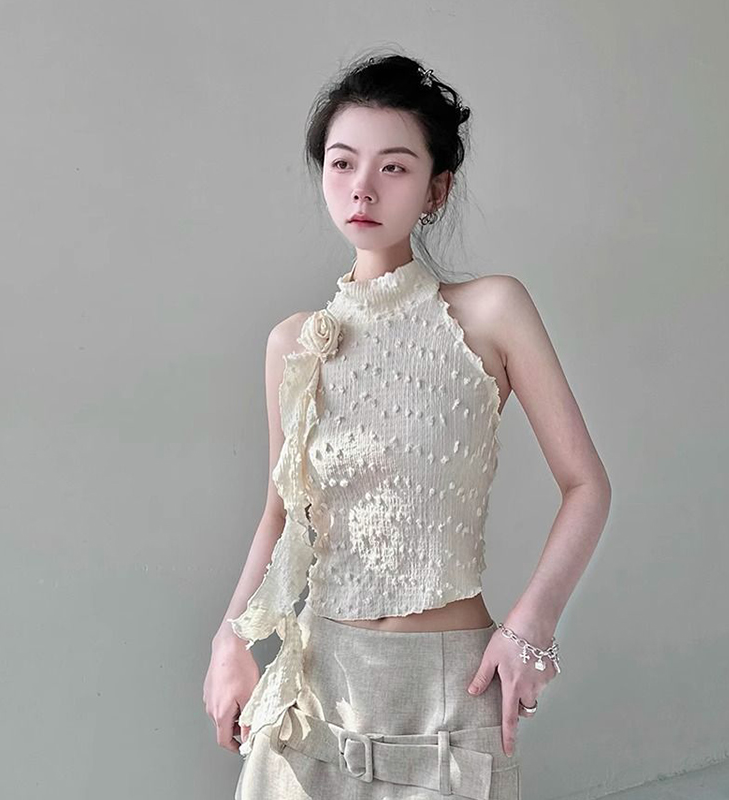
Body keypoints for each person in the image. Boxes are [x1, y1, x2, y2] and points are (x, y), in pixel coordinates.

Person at [203, 51, 611, 800]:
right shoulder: (294, 343)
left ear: (436, 188)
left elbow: (587, 486)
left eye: (393, 167)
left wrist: (532, 628)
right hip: (316, 693)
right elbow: (280, 516)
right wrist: (229, 641)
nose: (362, 187)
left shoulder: (491, 311)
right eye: (342, 163)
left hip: (448, 696)